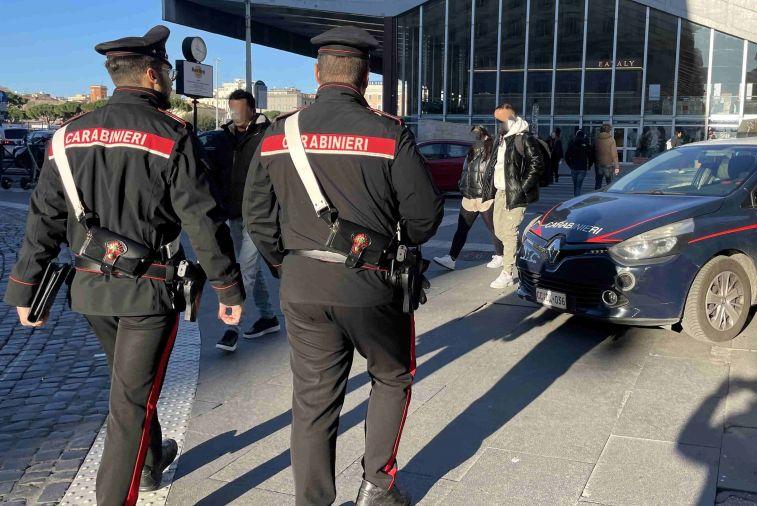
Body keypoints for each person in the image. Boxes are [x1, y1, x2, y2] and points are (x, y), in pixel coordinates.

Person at [3, 26, 244, 505]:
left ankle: (150, 461)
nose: (170, 78)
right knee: (131, 402)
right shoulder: (171, 134)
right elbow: (201, 218)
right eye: (167, 70)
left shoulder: (66, 136)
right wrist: (227, 287)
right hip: (148, 293)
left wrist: (25, 289)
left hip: (90, 290)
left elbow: (43, 217)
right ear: (152, 74)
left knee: (130, 384)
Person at [243, 26, 443, 506]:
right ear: (365, 77)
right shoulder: (388, 132)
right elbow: (424, 218)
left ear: (317, 75)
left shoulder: (279, 133)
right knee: (391, 376)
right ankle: (377, 486)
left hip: (302, 282)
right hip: (372, 284)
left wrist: (284, 263)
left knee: (313, 400)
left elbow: (256, 215)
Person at [204, 89, 279, 352]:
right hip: (234, 213)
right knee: (251, 268)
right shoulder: (224, 137)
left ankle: (231, 327)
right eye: (232, 108)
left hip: (259, 215)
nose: (235, 114)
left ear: (252, 109)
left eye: (240, 109)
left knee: (245, 267)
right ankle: (268, 316)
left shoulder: (267, 134)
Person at [486, 103, 544, 289]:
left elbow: (537, 164)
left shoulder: (524, 138)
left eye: (500, 121)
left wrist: (521, 188)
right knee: (499, 231)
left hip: (515, 193)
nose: (497, 124)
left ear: (510, 120)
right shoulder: (503, 139)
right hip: (500, 192)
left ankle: (507, 273)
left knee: (509, 232)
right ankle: (524, 252)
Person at [433, 125, 503, 271]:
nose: (476, 137)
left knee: (494, 228)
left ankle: (500, 256)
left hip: (484, 197)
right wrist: (462, 185)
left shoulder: (492, 149)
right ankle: (451, 258)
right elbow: (466, 171)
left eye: (478, 134)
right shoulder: (472, 150)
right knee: (462, 229)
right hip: (469, 196)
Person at [565, 129, 593, 196]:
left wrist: (570, 165)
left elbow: (566, 156)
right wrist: (589, 165)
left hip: (574, 167)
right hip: (582, 168)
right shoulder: (586, 145)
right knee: (579, 185)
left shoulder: (572, 144)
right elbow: (590, 156)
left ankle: (575, 197)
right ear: (583, 136)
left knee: (575, 185)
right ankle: (576, 198)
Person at [593, 124, 619, 190]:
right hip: (608, 164)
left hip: (598, 164)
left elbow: (593, 151)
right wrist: (617, 167)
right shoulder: (611, 140)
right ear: (609, 130)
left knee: (598, 181)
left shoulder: (596, 139)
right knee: (609, 182)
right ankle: (609, 194)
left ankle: (597, 193)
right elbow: (614, 155)